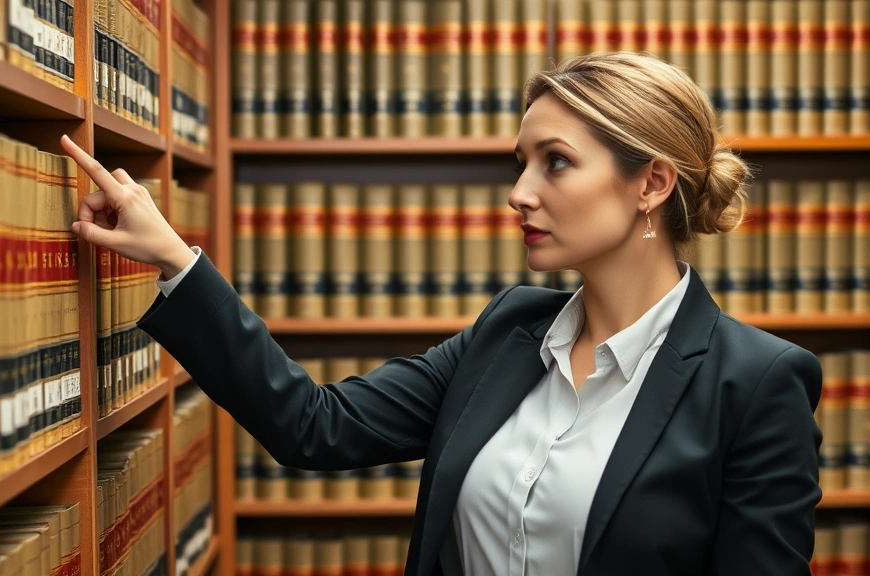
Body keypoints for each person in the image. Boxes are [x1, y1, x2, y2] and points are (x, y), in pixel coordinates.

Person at [61, 52, 822, 576]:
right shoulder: (509, 332)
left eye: (554, 162)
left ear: (650, 183)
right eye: (519, 163)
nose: (519, 192)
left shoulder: (755, 384)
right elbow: (314, 426)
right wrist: (174, 260)